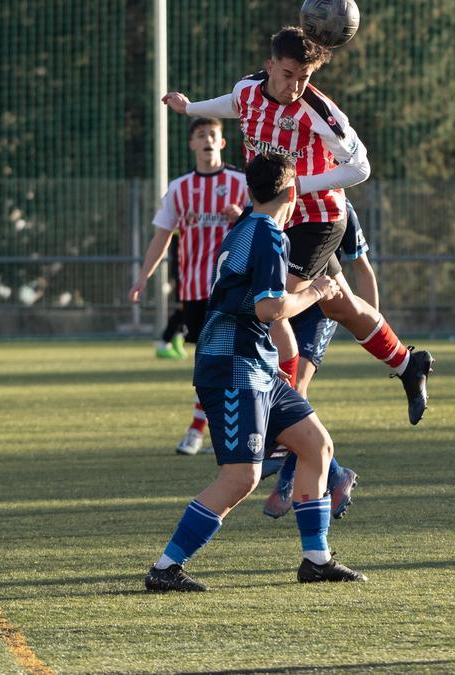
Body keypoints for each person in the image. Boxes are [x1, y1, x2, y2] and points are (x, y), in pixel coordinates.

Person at [161, 26, 434, 426]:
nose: (295, 86)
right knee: (341, 306)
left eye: (304, 78)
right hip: (277, 216)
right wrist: (190, 108)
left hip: (318, 219)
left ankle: (282, 414)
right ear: (270, 65)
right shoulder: (249, 90)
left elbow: (360, 167)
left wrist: (301, 185)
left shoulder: (319, 111)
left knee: (272, 307)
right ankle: (409, 363)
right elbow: (233, 104)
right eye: (288, 75)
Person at [144, 153, 366, 593]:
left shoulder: (247, 227)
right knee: (241, 476)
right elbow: (270, 308)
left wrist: (282, 358)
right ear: (292, 192)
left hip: (257, 366)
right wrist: (319, 290)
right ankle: (165, 568)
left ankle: (316, 559)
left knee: (316, 444)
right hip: (231, 367)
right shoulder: (266, 234)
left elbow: (258, 310)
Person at [128, 117, 248, 455]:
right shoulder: (180, 189)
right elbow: (162, 237)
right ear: (192, 144)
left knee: (234, 359)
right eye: (201, 135)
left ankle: (200, 429)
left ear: (222, 143)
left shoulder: (242, 183)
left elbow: (269, 221)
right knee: (211, 362)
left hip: (236, 286)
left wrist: (242, 215)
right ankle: (220, 430)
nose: (208, 139)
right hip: (196, 289)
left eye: (213, 134)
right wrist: (143, 277)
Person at [262, 200, 376, 519]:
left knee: (294, 388)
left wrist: (368, 326)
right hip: (282, 308)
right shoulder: (274, 200)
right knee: (282, 389)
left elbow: (361, 266)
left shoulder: (339, 205)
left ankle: (288, 480)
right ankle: (336, 474)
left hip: (317, 313)